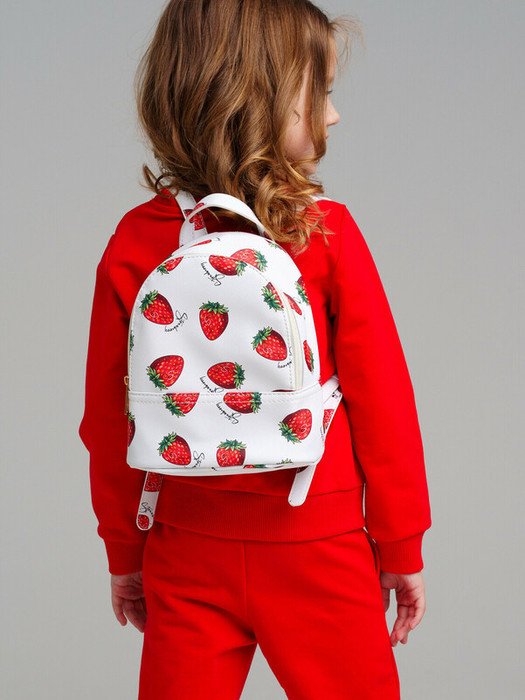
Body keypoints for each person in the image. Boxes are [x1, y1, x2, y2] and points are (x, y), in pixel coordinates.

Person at [79, 1, 432, 698]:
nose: (333, 116)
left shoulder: (136, 241)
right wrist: (399, 544)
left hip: (185, 545)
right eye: (320, 92)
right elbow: (383, 402)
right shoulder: (323, 233)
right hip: (318, 540)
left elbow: (109, 418)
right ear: (259, 100)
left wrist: (125, 549)